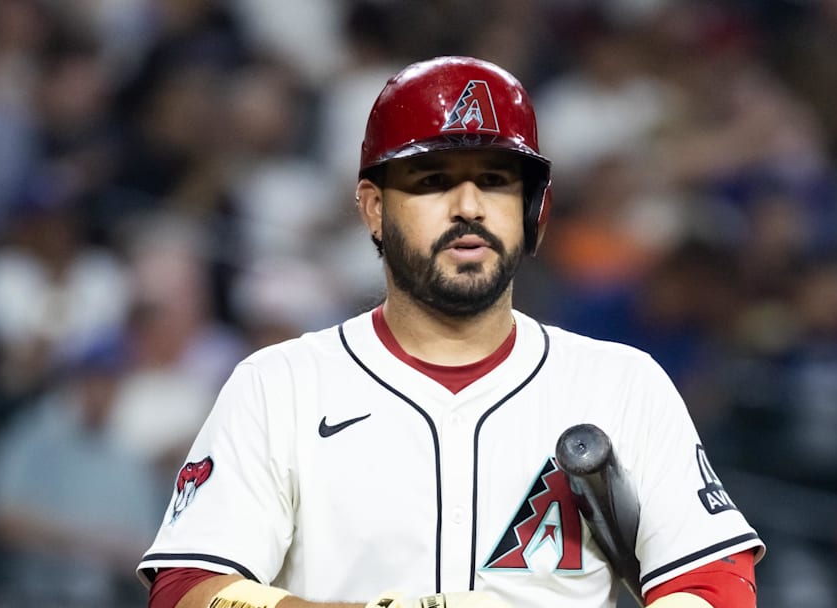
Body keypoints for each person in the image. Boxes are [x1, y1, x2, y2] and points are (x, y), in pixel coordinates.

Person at [136, 56, 764, 608]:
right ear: (374, 208)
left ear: (534, 211)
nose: (468, 206)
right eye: (433, 180)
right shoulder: (280, 385)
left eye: (494, 180)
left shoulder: (621, 384)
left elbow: (716, 581)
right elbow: (190, 591)